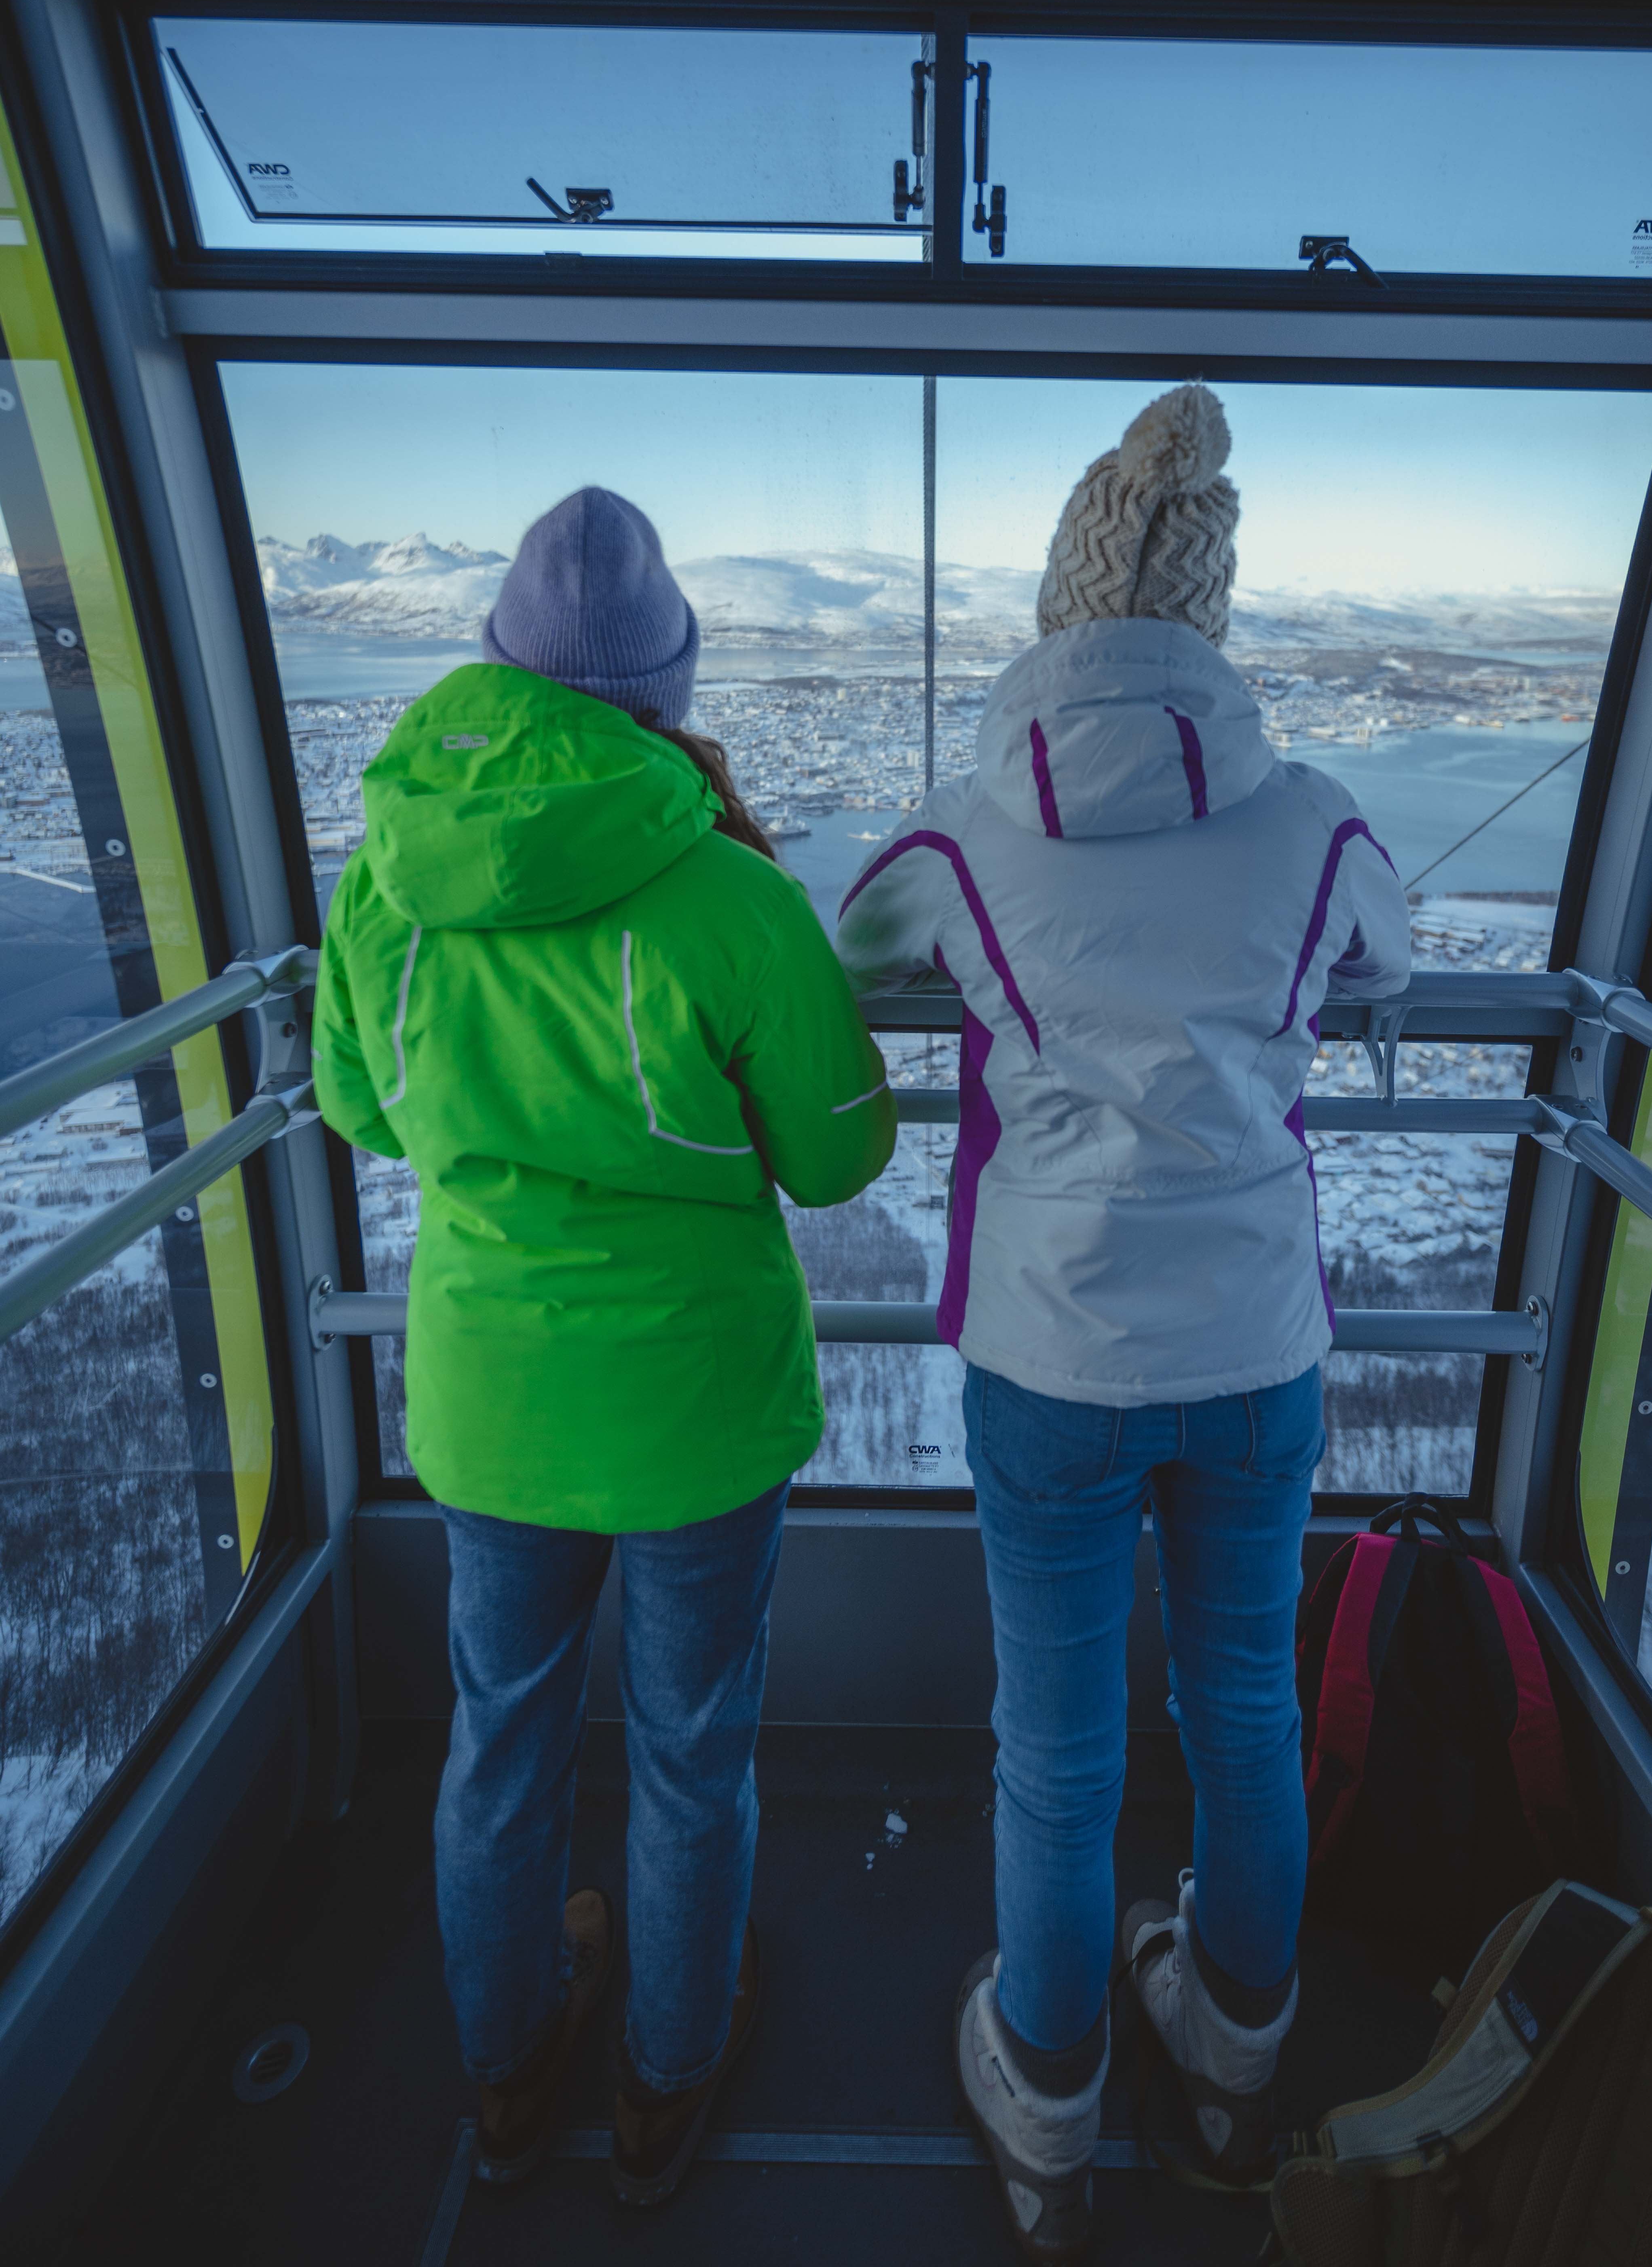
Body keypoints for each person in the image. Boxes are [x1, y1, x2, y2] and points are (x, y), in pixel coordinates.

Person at [838, 388, 1411, 2258]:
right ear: (1215, 616)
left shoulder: (967, 826)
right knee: (1243, 1708)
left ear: (1050, 607)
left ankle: (1050, 2091)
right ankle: (1237, 2067)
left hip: (1052, 1352)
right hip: (1254, 1344)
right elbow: (1381, 950)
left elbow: (853, 946)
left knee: (1058, 1745)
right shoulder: (1311, 817)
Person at [313, 487, 896, 2204]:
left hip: (490, 1407)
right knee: (690, 1741)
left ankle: (503, 2074)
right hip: (696, 1410)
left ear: (495, 665)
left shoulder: (384, 878)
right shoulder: (724, 891)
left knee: (500, 1739)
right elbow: (842, 1151)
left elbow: (360, 1103)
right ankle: (667, 2068)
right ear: (665, 688)